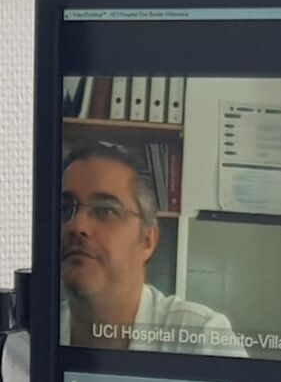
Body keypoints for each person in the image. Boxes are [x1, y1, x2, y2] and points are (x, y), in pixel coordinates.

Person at [59, 143, 247, 357]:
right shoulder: (33, 338)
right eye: (65, 208)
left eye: (105, 210)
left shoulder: (202, 338)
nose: (77, 226)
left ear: (147, 241)